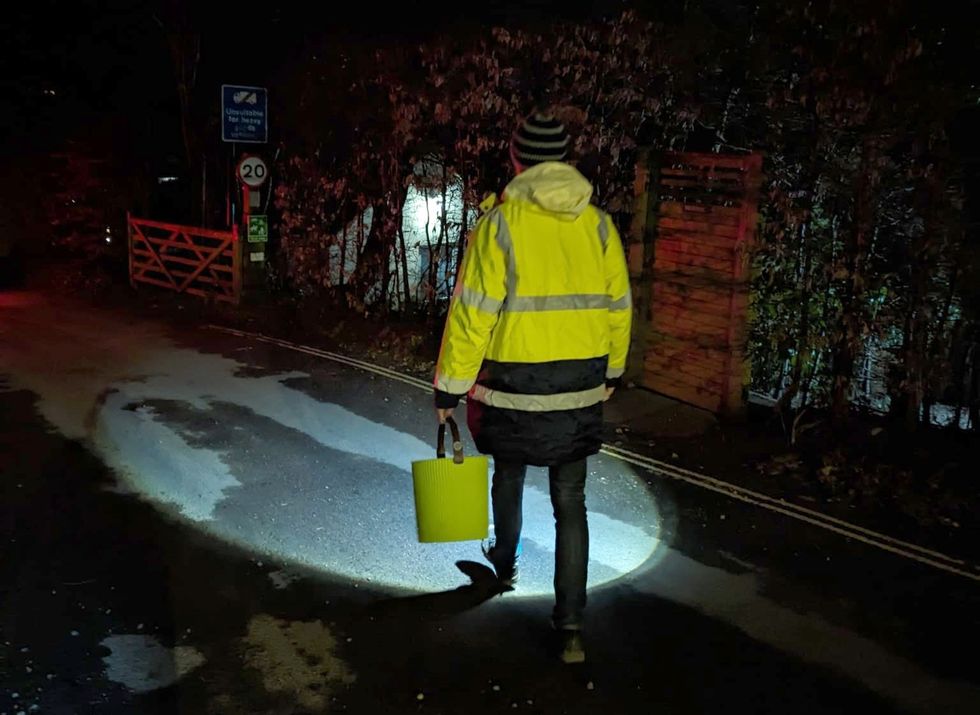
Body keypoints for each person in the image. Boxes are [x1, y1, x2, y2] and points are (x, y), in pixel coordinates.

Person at [432, 111, 632, 664]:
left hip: (511, 387)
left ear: (517, 161)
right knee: (572, 501)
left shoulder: (498, 225)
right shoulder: (598, 226)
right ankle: (570, 628)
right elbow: (619, 308)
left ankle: (504, 564)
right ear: (566, 159)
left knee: (510, 474)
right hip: (578, 389)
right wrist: (612, 372)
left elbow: (472, 318)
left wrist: (449, 389)